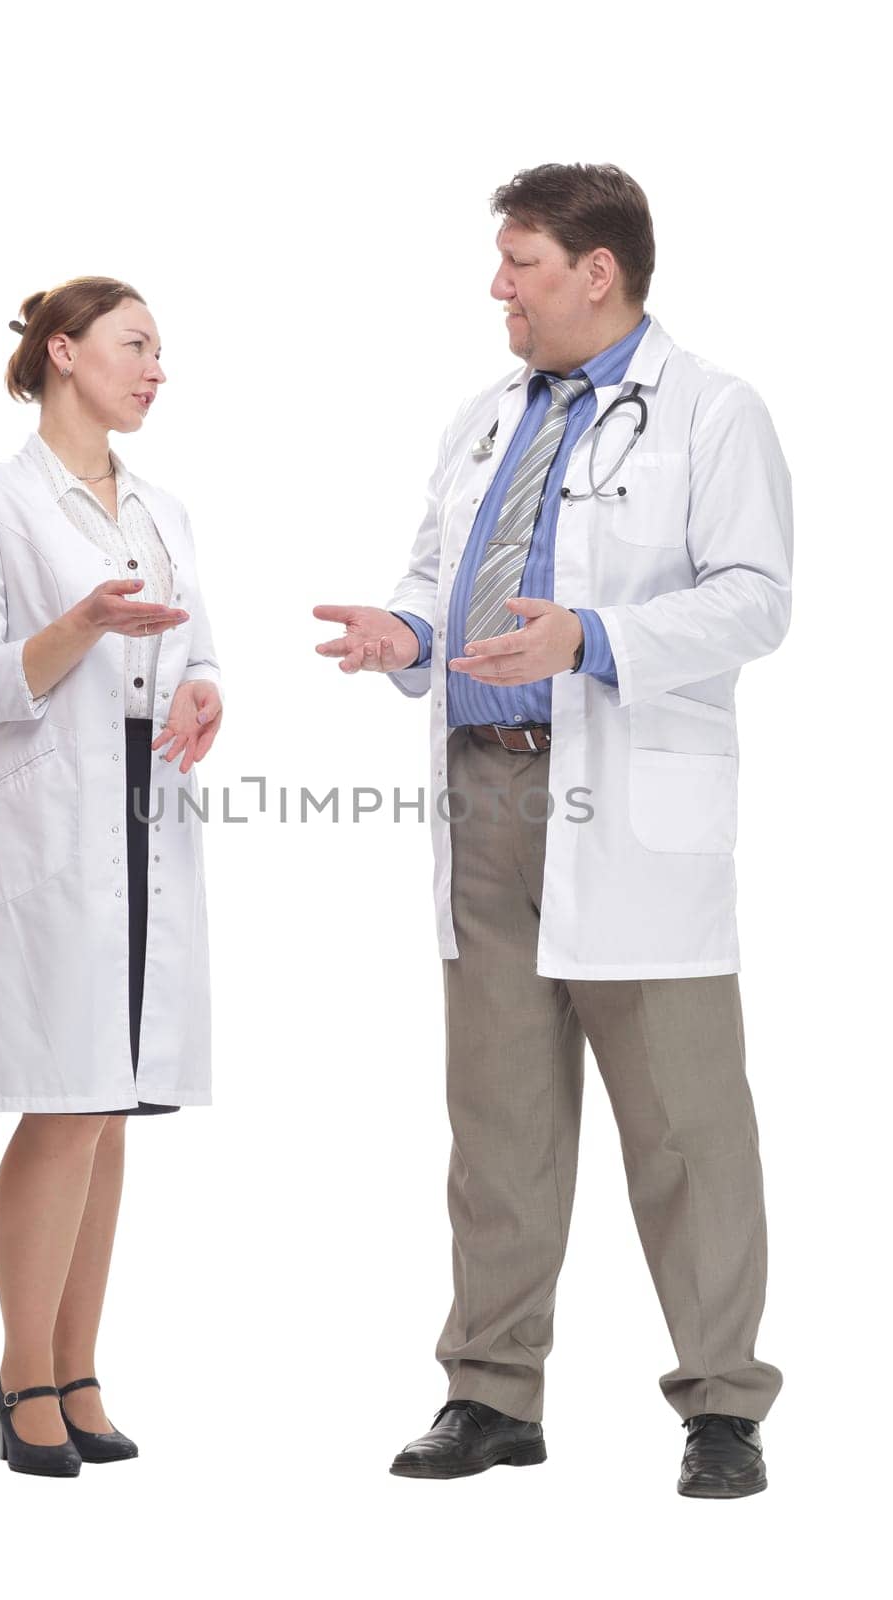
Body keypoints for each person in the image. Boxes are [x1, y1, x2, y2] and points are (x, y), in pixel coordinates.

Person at [313, 163, 791, 1498]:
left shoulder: (711, 413)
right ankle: (489, 1390)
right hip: (483, 793)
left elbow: (754, 601)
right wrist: (404, 630)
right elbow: (437, 571)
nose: (495, 288)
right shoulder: (484, 420)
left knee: (684, 1125)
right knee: (497, 1117)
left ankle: (719, 1405)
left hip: (626, 801)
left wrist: (591, 636)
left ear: (595, 271)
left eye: (517, 261)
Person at [0, 277, 224, 1477]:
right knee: (65, 1102)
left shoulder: (162, 507)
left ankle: (81, 1367)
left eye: (159, 350)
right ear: (63, 353)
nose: (155, 368)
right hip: (48, 841)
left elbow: (199, 643)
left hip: (148, 824)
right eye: (135, 345)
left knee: (112, 1111)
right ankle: (21, 1372)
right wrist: (81, 625)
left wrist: (204, 689)